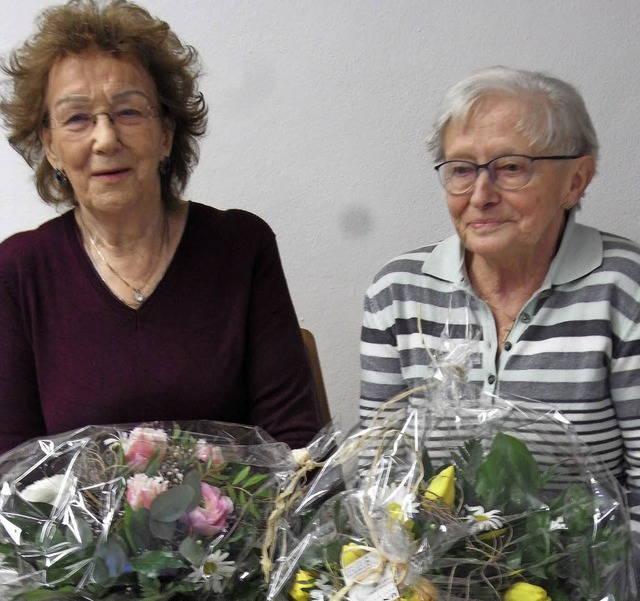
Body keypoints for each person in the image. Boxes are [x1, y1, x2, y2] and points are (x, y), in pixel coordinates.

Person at [0, 0, 321, 453]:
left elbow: (293, 441)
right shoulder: (18, 270)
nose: (106, 139)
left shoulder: (241, 248)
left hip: (243, 521)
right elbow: (10, 469)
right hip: (70, 527)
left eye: (128, 112)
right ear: (50, 146)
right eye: (77, 119)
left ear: (166, 133)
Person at [360, 66, 640, 548]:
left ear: (576, 180)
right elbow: (380, 468)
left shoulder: (625, 288)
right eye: (462, 170)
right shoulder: (398, 291)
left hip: (590, 571)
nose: (481, 196)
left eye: (511, 168)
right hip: (442, 575)